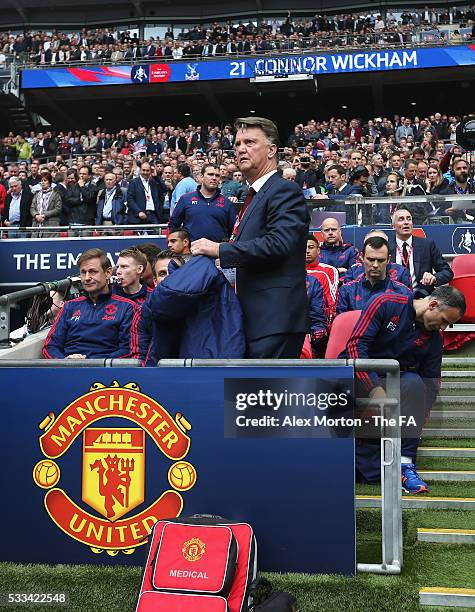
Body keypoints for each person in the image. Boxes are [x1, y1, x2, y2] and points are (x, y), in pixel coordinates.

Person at [190, 116, 309, 358]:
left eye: (250, 142)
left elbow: (279, 244)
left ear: (271, 150)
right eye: (237, 143)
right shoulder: (254, 195)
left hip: (275, 320)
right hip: (255, 319)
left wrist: (220, 250)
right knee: (249, 393)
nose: (241, 149)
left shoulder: (284, 190)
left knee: (267, 393)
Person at [342, 285, 465, 492]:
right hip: (358, 376)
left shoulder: (435, 338)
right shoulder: (385, 303)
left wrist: (420, 415)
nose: (443, 328)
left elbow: (431, 382)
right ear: (433, 305)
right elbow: (356, 347)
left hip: (395, 383)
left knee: (416, 384)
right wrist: (373, 389)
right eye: (444, 321)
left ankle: (405, 464)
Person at [140, 254, 245, 364]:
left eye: (178, 273)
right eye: (162, 274)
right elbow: (142, 353)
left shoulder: (208, 305)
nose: (169, 277)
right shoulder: (145, 311)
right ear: (155, 281)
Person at [43, 248, 139, 359]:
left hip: (105, 372)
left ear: (108, 273)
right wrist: (63, 361)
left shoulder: (128, 307)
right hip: (68, 368)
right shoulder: (69, 307)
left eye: (93, 272)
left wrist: (90, 363)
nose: (87, 278)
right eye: (83, 272)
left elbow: (128, 350)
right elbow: (50, 346)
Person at [336, 236, 412, 315]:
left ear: (388, 260)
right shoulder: (347, 292)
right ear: (362, 258)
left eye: (380, 260)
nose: (375, 265)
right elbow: (340, 324)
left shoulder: (403, 293)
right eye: (371, 260)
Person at [389, 208, 453, 296]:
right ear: (393, 226)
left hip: (421, 297)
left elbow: (447, 272)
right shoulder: (386, 247)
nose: (406, 222)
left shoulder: (427, 245)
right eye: (401, 219)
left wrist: (434, 277)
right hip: (394, 297)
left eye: (409, 219)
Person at [168, 163, 236, 242]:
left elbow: (233, 230)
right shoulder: (186, 199)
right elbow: (173, 225)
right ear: (202, 177)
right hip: (191, 252)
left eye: (217, 176)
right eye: (210, 174)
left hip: (217, 252)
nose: (214, 178)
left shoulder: (226, 203)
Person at [344, 230, 412, 288]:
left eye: (382, 243)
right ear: (362, 256)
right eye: (371, 259)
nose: (375, 265)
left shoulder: (401, 272)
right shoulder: (352, 272)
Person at [305, 233, 339, 321]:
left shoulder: (330, 271)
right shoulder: (292, 271)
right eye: (303, 247)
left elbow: (331, 302)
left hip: (318, 318)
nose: (307, 251)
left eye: (311, 247)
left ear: (318, 250)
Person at [126, 161, 166, 225]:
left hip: (153, 215)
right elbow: (130, 199)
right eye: (143, 170)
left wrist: (156, 177)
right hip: (138, 216)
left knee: (156, 234)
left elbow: (164, 190)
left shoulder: (154, 182)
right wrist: (138, 212)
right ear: (140, 170)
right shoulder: (133, 182)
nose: (145, 172)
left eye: (147, 170)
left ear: (151, 171)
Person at [30, 171, 62, 237]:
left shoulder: (55, 194)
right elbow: (32, 208)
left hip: (51, 225)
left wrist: (44, 215)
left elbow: (58, 209)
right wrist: (36, 215)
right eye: (41, 181)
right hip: (37, 225)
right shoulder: (37, 194)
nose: (43, 182)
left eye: (45, 180)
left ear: (49, 182)